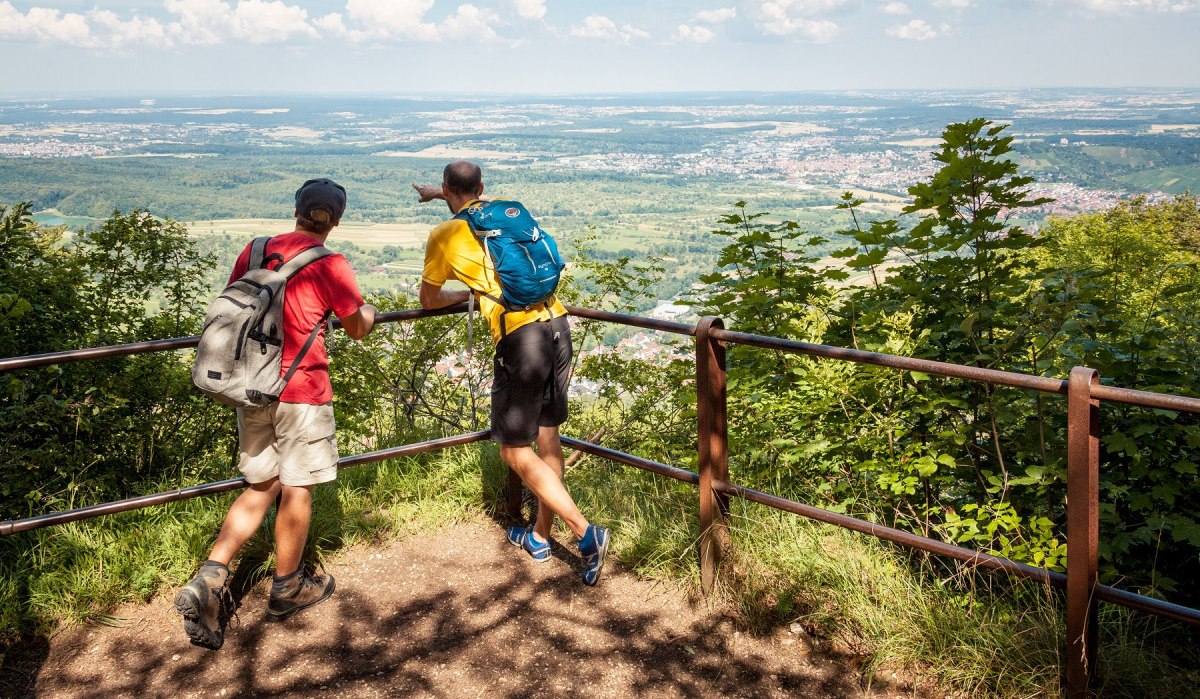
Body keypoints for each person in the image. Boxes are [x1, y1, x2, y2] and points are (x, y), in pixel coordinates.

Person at [175, 178, 378, 649]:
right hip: (302, 390)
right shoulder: (331, 263)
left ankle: (211, 576)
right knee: (297, 487)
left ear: (296, 210)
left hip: (252, 387)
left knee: (261, 484)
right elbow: (357, 328)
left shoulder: (256, 248)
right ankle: (288, 587)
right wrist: (367, 310)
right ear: (337, 219)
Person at [414, 161, 610, 586]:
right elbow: (471, 213)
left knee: (513, 451)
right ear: (482, 187)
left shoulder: (444, 236)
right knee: (548, 437)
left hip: (521, 341)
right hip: (557, 326)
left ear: (447, 189)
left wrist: (471, 291)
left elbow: (428, 299)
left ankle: (585, 533)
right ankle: (540, 535)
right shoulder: (506, 212)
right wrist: (440, 197)